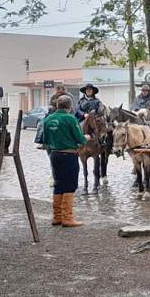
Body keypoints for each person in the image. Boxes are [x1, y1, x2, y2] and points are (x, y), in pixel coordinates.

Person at [41, 95, 86, 227]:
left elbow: (45, 140)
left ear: (57, 106)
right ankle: (68, 218)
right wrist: (86, 137)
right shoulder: (70, 119)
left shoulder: (48, 119)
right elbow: (80, 139)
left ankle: (57, 217)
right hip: (69, 155)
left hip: (54, 155)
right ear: (70, 106)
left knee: (58, 184)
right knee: (70, 185)